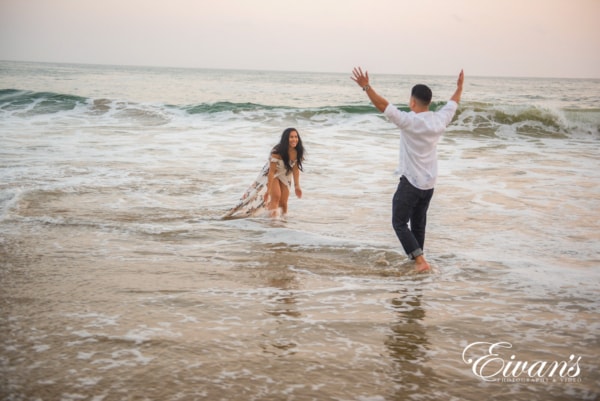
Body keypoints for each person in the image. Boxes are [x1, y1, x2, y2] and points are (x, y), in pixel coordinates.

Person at [351, 67, 464, 273]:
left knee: (399, 222)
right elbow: (453, 104)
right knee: (418, 225)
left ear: (413, 101)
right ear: (428, 102)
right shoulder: (440, 119)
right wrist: (459, 87)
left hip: (411, 181)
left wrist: (366, 87)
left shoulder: (409, 121)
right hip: (429, 184)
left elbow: (382, 105)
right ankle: (418, 262)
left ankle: (420, 261)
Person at [223, 128, 305, 219]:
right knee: (276, 196)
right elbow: (271, 172)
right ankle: (273, 222)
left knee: (284, 202)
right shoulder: (277, 151)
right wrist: (268, 191)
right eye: (291, 137)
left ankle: (283, 223)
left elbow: (295, 169)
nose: (294, 139)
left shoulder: (298, 151)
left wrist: (297, 186)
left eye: (296, 137)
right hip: (273, 173)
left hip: (285, 174)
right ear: (286, 139)